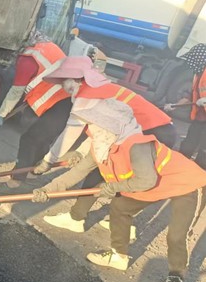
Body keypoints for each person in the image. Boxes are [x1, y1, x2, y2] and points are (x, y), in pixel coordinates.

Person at [31, 98, 206, 282]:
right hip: (155, 184)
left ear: (110, 128)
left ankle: (176, 276)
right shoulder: (102, 146)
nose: (90, 131)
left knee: (176, 235)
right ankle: (119, 256)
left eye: (95, 126)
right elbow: (76, 173)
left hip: (186, 185)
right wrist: (46, 190)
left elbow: (146, 180)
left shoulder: (136, 145)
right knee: (121, 206)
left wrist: (112, 187)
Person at [34, 56, 176, 232]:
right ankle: (118, 221)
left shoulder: (85, 98)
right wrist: (80, 152)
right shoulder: (102, 88)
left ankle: (78, 218)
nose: (63, 86)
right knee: (117, 174)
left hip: (148, 131)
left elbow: (70, 134)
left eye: (63, 81)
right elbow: (99, 129)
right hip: (160, 129)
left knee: (105, 173)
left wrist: (48, 161)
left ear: (75, 80)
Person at [0, 32, 72, 187]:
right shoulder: (49, 47)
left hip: (53, 102)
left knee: (29, 139)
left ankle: (17, 179)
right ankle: (33, 170)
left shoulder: (27, 60)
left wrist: (1, 115)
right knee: (44, 138)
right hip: (68, 100)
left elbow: (16, 91)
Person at [166, 43, 206, 168]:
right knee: (188, 145)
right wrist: (174, 105)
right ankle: (178, 167)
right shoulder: (198, 74)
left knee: (204, 153)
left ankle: (200, 178)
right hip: (200, 118)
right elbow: (190, 95)